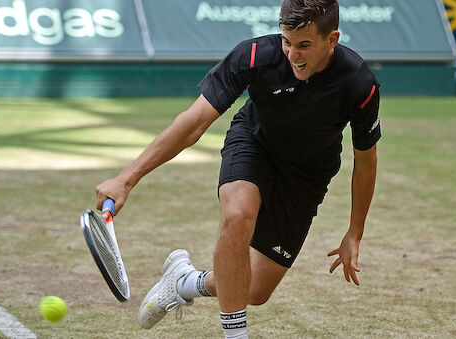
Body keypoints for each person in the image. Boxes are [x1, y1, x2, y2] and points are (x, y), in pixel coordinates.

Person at [95, 0, 380, 337]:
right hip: (254, 144)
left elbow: (366, 161)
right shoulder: (255, 56)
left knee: (254, 290)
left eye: (305, 45)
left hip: (307, 174)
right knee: (237, 215)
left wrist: (354, 232)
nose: (293, 55)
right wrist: (126, 179)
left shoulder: (359, 84)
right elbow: (193, 122)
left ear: (332, 40)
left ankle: (185, 282)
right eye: (287, 41)